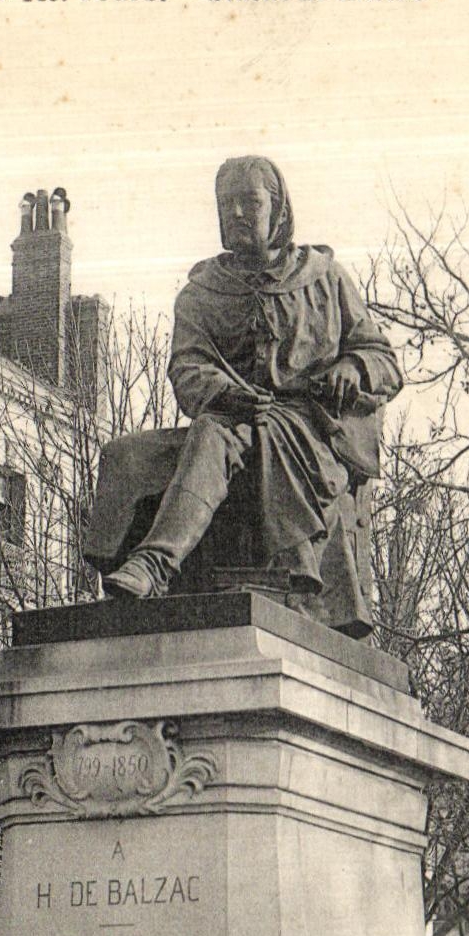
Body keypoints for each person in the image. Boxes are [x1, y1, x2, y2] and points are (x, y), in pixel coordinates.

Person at [83, 156, 403, 637]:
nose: (235, 213)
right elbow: (187, 366)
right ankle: (140, 570)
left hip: (309, 432)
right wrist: (224, 392)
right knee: (127, 454)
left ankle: (155, 563)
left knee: (217, 433)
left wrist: (352, 368)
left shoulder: (325, 278)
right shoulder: (201, 293)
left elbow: (384, 361)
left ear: (278, 210)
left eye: (249, 202)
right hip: (230, 417)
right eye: (225, 203)